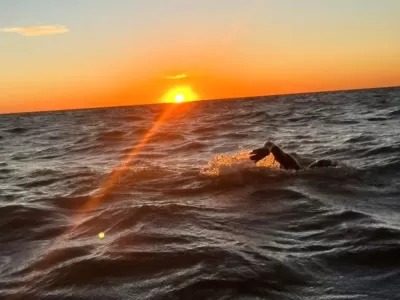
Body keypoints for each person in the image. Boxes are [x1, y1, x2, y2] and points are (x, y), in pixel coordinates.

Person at [249, 141, 337, 170]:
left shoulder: (295, 170)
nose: (317, 163)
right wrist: (267, 149)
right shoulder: (295, 167)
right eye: (319, 163)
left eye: (320, 163)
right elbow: (270, 144)